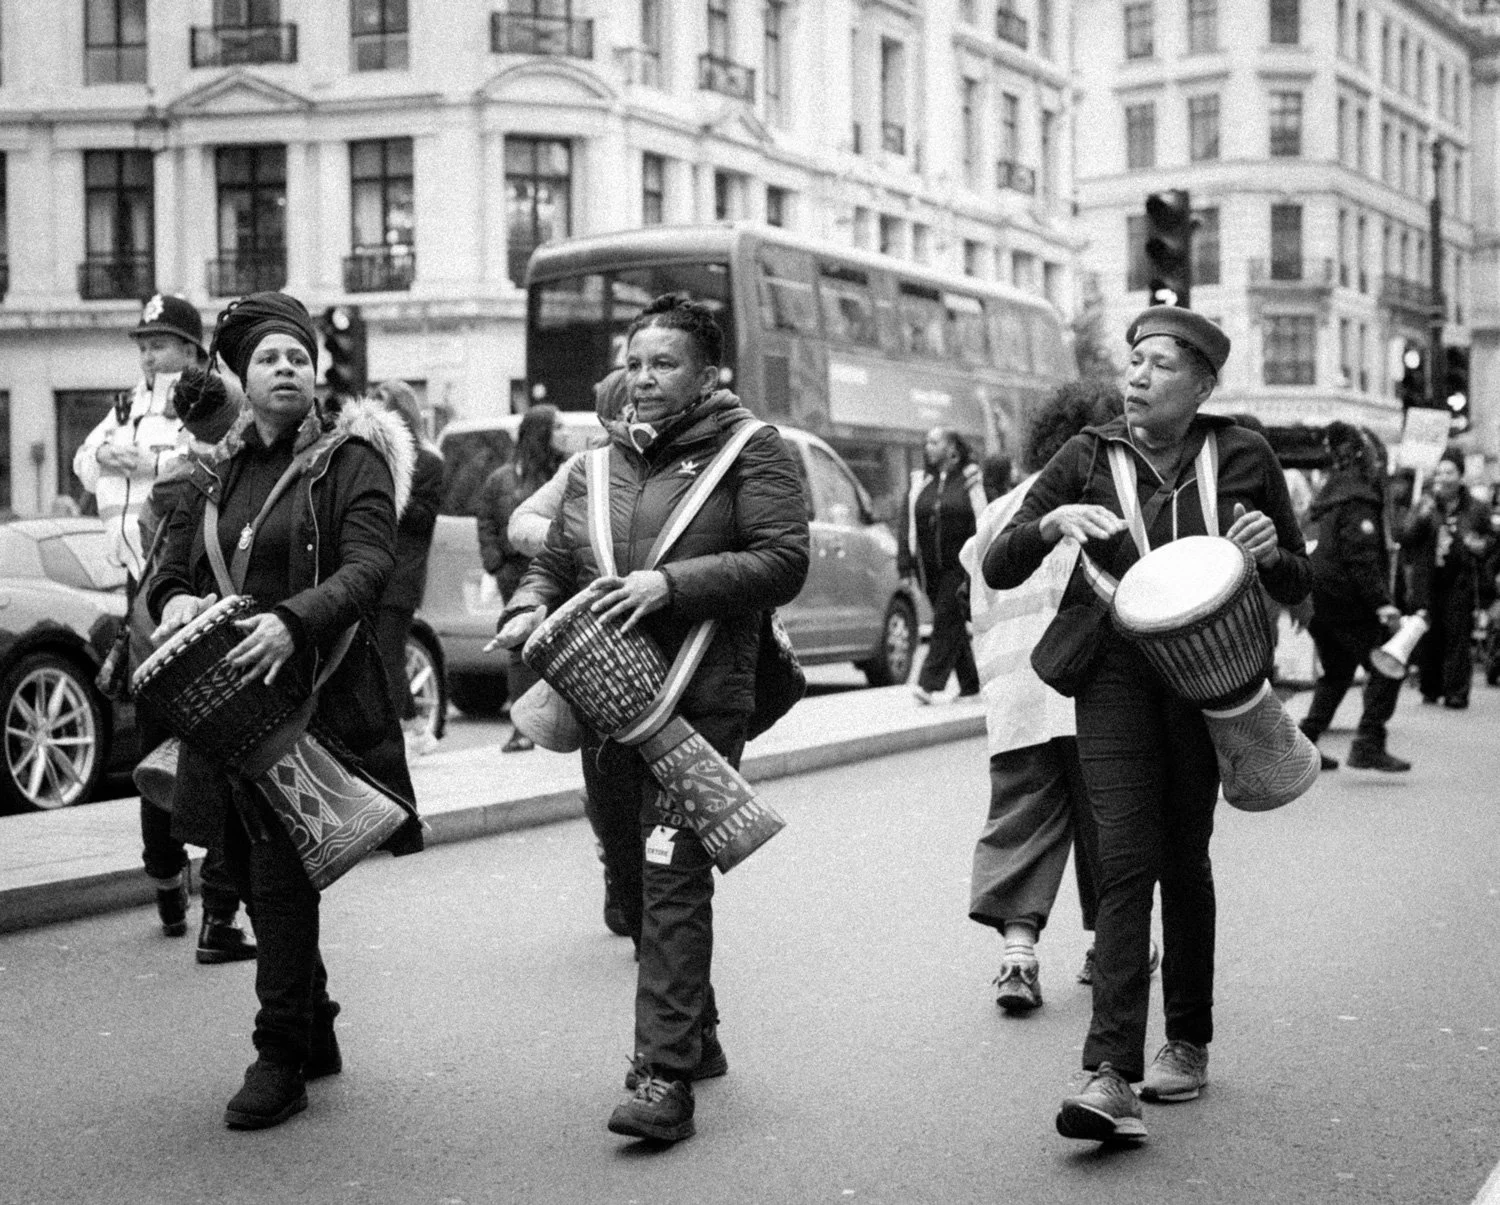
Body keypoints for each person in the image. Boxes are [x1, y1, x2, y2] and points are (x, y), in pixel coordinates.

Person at [983, 306, 1310, 1143]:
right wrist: (1051, 522)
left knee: (1182, 856)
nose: (1137, 375)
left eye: (1161, 364)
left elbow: (1304, 579)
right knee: (1124, 854)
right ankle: (1110, 1072)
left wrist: (1271, 552)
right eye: (1133, 360)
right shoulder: (1089, 454)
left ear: (1201, 384)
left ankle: (1188, 1041)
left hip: (1209, 677)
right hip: (1114, 667)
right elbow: (998, 558)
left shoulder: (1242, 452)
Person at [493, 293, 809, 1145]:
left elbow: (784, 560)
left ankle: (661, 1077)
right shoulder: (598, 466)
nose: (643, 379)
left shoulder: (755, 451)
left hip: (701, 698)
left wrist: (670, 585)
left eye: (663, 363)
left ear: (708, 375)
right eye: (634, 363)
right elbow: (555, 561)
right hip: (605, 701)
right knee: (634, 881)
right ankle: (694, 1033)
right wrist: (528, 609)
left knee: (672, 874)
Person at [145, 291, 424, 1131]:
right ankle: (319, 1024)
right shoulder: (218, 470)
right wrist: (174, 603)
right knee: (242, 855)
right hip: (227, 701)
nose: (287, 369)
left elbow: (370, 567)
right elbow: (175, 566)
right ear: (242, 373)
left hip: (317, 695)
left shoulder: (351, 461)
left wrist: (293, 620)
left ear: (316, 371)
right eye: (269, 358)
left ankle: (280, 1054)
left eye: (299, 356)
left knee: (277, 861)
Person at [962, 381, 1116, 1015]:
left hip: (1015, 692)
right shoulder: (1103, 502)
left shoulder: (1000, 510)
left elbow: (976, 594)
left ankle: (1018, 955)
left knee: (1022, 819)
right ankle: (1110, 945)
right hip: (1088, 689)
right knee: (1109, 824)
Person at [1298, 423, 1413, 772]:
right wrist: (1383, 603)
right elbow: (1359, 558)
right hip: (1346, 602)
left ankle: (1303, 745)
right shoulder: (1359, 498)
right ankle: (1368, 742)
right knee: (1388, 665)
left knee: (1337, 672)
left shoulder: (1327, 496)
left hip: (1317, 601)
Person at [73, 294, 203, 576]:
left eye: (157, 346)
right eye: (142, 348)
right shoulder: (128, 404)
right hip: (130, 568)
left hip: (179, 563)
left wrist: (154, 464)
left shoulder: (205, 400)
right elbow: (81, 462)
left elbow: (212, 460)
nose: (148, 357)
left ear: (189, 352)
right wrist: (101, 454)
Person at [478, 404, 567, 752]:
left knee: (560, 642)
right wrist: (495, 563)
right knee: (519, 647)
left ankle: (556, 723)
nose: (563, 432)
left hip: (555, 567)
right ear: (541, 432)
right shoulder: (502, 478)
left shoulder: (563, 472)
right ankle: (523, 728)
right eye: (557, 426)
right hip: (514, 571)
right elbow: (484, 519)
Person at [371, 380, 445, 759]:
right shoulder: (371, 458)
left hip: (402, 571)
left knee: (388, 652)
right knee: (375, 653)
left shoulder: (428, 462)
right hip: (372, 568)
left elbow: (420, 518)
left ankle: (414, 727)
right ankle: (394, 729)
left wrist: (387, 487)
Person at [901, 427, 987, 703]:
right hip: (929, 569)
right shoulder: (919, 482)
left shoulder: (971, 479)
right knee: (952, 623)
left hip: (960, 567)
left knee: (945, 620)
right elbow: (907, 525)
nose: (928, 446)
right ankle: (971, 684)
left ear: (952, 448)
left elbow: (984, 518)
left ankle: (928, 683)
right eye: (926, 441)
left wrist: (982, 560)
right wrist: (905, 564)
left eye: (934, 442)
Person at [1403, 448, 1489, 709]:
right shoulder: (1426, 503)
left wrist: (1480, 546)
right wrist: (1421, 518)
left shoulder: (1476, 508)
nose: (1443, 477)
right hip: (1429, 581)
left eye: (1449, 472)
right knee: (1429, 634)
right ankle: (1430, 687)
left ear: (1460, 476)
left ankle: (1456, 692)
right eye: (1439, 472)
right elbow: (1406, 537)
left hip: (1459, 581)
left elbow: (1491, 542)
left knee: (1457, 637)